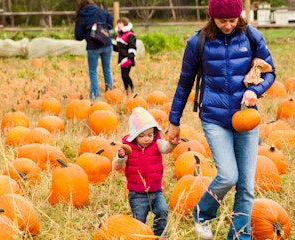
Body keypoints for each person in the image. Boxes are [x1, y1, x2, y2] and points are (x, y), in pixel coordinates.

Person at [167, 0, 275, 239]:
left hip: (246, 117)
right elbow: (184, 84)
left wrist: (254, 91)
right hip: (214, 118)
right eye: (222, 21)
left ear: (239, 16)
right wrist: (174, 121)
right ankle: (202, 214)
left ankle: (239, 236)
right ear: (212, 18)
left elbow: (271, 71)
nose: (228, 25)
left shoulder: (250, 36)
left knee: (246, 187)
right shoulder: (198, 42)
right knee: (228, 175)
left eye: (232, 20)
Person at [112, 107, 177, 239]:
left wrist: (172, 144)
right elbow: (116, 167)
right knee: (139, 219)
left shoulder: (156, 143)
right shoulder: (127, 148)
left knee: (163, 210)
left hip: (156, 191)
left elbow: (166, 148)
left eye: (150, 134)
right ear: (134, 135)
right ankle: (140, 236)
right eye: (141, 136)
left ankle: (160, 234)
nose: (147, 139)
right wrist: (120, 157)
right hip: (137, 194)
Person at [74, 0, 113, 100]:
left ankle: (96, 97)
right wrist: (104, 29)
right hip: (106, 43)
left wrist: (86, 34)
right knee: (107, 69)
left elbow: (78, 35)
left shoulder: (82, 16)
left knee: (93, 71)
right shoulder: (102, 11)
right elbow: (111, 23)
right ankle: (110, 94)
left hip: (92, 47)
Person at [113, 17, 137, 95]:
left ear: (125, 24)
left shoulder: (130, 35)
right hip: (122, 58)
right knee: (122, 76)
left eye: (120, 23)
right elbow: (119, 48)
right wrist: (112, 46)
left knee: (126, 75)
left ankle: (132, 88)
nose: (119, 25)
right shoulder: (120, 35)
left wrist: (130, 57)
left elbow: (132, 47)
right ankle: (126, 90)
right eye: (118, 23)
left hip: (128, 58)